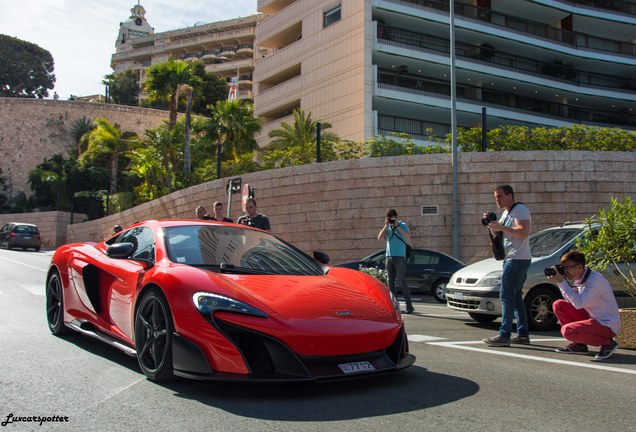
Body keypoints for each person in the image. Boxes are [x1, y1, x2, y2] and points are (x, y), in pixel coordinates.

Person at [547, 250, 620, 361]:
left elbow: (578, 304)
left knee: (567, 331)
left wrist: (562, 282)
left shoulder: (595, 280)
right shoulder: (579, 279)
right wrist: (559, 282)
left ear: (580, 267)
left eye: (567, 268)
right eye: (563, 268)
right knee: (559, 304)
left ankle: (608, 343)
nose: (565, 271)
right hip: (593, 318)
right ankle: (579, 345)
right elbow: (571, 300)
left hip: (607, 324)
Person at [482, 185, 532, 347]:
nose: (497, 200)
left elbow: (523, 232)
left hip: (517, 259)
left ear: (510, 195)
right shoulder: (506, 212)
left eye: (500, 196)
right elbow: (499, 235)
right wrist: (492, 224)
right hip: (511, 258)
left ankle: (504, 335)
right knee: (516, 298)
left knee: (506, 297)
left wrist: (502, 227)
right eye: (496, 197)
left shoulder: (520, 210)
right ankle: (523, 334)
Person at [377, 208, 414, 314]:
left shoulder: (401, 224)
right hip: (389, 257)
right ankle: (394, 305)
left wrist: (397, 225)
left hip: (400, 257)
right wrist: (385, 225)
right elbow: (379, 237)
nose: (391, 220)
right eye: (389, 218)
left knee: (402, 282)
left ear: (396, 217)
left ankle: (409, 306)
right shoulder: (387, 226)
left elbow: (407, 235)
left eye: (392, 217)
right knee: (390, 282)